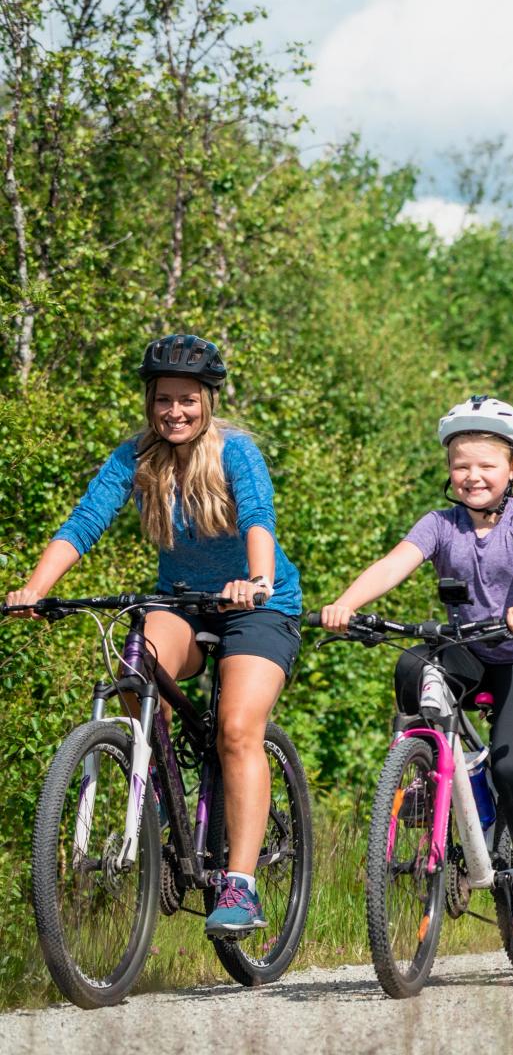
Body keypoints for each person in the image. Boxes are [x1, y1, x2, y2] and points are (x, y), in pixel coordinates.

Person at [5, 335, 303, 937]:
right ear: (150, 401)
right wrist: (33, 589)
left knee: (238, 728)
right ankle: (162, 796)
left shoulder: (235, 453)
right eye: (164, 399)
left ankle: (240, 886)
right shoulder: (135, 458)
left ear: (207, 400)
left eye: (187, 400)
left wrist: (257, 578)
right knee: (133, 664)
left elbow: (257, 519)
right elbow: (85, 522)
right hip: (185, 605)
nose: (175, 412)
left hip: (258, 606)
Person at [318, 395, 513, 960]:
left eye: (486, 464)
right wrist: (345, 603)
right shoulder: (439, 524)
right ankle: (430, 779)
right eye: (461, 465)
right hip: (470, 651)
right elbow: (395, 562)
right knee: (413, 662)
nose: (472, 475)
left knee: (510, 763)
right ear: (449, 471)